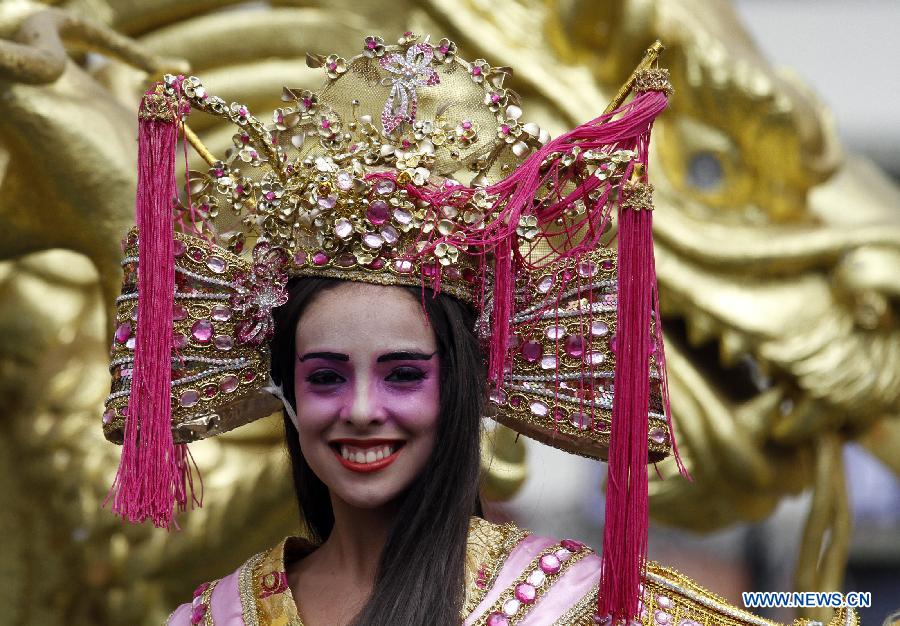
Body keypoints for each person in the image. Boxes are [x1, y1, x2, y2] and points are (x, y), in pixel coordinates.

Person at [102, 32, 856, 626]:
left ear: (461, 384)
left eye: (404, 374)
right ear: (284, 390)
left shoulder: (580, 608)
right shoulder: (212, 616)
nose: (362, 409)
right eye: (326, 376)